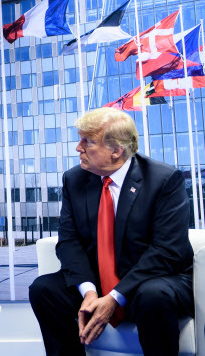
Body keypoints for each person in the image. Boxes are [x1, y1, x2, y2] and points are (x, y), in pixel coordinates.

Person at [29, 107, 194, 356]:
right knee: (44, 289)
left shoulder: (163, 180)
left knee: (153, 296)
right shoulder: (74, 180)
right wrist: (90, 292)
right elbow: (69, 242)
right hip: (98, 281)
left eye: (89, 141)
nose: (78, 148)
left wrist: (116, 297)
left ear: (116, 150)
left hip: (153, 278)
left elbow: (166, 251)